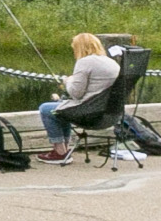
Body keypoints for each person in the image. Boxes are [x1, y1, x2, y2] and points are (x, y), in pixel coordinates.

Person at [38, 33, 123, 165]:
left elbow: (76, 93)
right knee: (62, 108)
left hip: (90, 114)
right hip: (112, 115)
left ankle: (60, 152)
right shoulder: (112, 63)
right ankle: (64, 151)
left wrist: (68, 80)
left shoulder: (85, 62)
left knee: (45, 109)